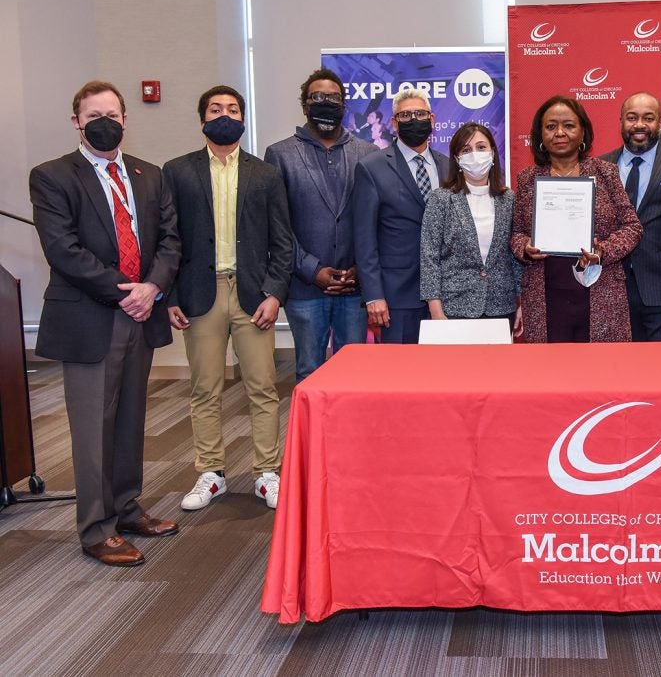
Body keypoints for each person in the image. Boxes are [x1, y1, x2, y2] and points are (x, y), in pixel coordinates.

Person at [29, 81, 181, 566]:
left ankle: (126, 507)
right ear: (76, 121)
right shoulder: (53, 176)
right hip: (92, 318)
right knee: (94, 426)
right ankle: (96, 528)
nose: (105, 122)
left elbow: (170, 241)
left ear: (125, 121)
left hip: (142, 312)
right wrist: (128, 292)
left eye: (113, 114)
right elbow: (63, 250)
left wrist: (152, 288)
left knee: (132, 419)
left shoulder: (150, 175)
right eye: (94, 114)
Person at [164, 86, 293, 512]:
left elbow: (283, 241)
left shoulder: (265, 174)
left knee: (263, 386)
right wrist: (171, 296)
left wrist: (275, 292)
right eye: (216, 109)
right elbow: (169, 239)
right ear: (202, 118)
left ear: (243, 117)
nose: (225, 115)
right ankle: (211, 472)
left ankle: (266, 473)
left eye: (233, 109)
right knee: (205, 389)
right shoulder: (178, 171)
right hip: (200, 294)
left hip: (253, 294)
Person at [264, 68, 377, 381]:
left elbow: (374, 221)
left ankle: (353, 432)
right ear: (304, 105)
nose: (327, 103)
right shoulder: (280, 154)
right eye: (318, 97)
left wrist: (357, 267)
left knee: (356, 375)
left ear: (344, 105)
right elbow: (279, 227)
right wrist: (313, 271)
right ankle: (314, 432)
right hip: (305, 288)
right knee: (309, 372)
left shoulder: (367, 153)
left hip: (354, 288)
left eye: (334, 98)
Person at [510, 96, 642, 343]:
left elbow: (632, 227)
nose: (559, 133)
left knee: (600, 373)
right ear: (540, 135)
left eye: (569, 125)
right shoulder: (527, 179)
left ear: (583, 132)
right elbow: (516, 233)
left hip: (600, 291)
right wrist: (525, 248)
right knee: (550, 374)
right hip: (545, 293)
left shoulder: (606, 173)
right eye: (550, 127)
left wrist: (603, 250)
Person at [354, 88, 451, 344]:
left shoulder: (450, 167)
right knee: (399, 376)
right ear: (394, 123)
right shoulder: (371, 168)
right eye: (405, 115)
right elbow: (364, 239)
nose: (413, 120)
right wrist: (374, 295)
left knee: (446, 374)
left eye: (420, 114)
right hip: (396, 296)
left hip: (447, 294)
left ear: (432, 120)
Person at [601, 92, 661, 340]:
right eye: (632, 118)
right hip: (609, 287)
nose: (639, 125)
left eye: (648, 118)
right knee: (616, 370)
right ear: (620, 121)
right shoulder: (601, 166)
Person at [419, 122, 522, 331]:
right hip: (453, 308)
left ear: (493, 153)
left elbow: (516, 257)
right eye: (466, 150)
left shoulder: (509, 199)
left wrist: (522, 303)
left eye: (481, 147)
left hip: (501, 307)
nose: (475, 154)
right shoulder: (441, 199)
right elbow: (429, 256)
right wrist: (435, 309)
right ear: (457, 159)